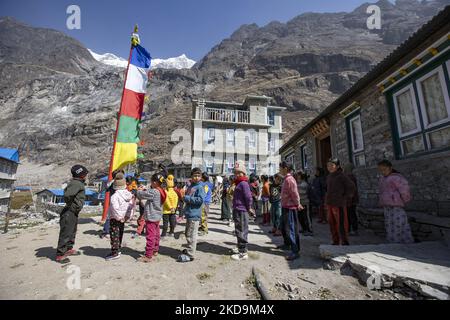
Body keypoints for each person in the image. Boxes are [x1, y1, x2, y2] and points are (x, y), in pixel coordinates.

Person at [56, 165, 88, 263]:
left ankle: (69, 249)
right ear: (81, 174)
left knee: (72, 231)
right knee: (66, 233)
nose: (86, 176)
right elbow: (67, 195)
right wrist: (72, 205)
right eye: (85, 174)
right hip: (69, 212)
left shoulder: (78, 183)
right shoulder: (76, 183)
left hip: (73, 212)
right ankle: (60, 254)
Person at [377, 160, 414, 244]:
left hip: (396, 204)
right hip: (386, 205)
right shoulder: (382, 179)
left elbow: (404, 190)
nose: (383, 172)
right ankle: (392, 240)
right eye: (381, 170)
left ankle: (404, 240)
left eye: (384, 169)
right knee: (389, 224)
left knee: (399, 223)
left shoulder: (397, 178)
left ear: (390, 168)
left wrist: (405, 199)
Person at [136, 173, 167, 263]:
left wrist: (138, 190)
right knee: (156, 234)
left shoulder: (154, 191)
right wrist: (145, 189)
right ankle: (155, 250)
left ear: (154, 182)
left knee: (150, 236)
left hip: (151, 217)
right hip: (157, 216)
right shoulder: (161, 190)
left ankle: (148, 255)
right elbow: (149, 193)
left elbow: (141, 195)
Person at [325, 158, 356, 246]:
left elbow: (352, 187)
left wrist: (345, 198)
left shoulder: (342, 176)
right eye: (328, 165)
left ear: (337, 166)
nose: (329, 167)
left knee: (341, 224)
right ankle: (335, 241)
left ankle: (344, 242)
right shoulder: (329, 176)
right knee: (332, 223)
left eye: (332, 165)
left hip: (339, 204)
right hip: (330, 203)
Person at [178, 168, 206, 262]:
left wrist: (186, 198)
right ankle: (190, 249)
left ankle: (190, 255)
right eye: (194, 175)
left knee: (191, 235)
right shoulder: (191, 186)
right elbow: (188, 197)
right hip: (189, 213)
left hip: (195, 214)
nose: (196, 177)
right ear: (191, 176)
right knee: (188, 233)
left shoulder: (200, 187)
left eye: (198, 176)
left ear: (201, 177)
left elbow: (200, 200)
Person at [105, 173, 133, 261]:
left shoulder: (115, 196)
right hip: (123, 218)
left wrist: (118, 217)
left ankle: (115, 252)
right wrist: (127, 216)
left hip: (115, 218)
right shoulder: (128, 194)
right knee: (120, 233)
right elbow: (131, 206)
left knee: (114, 235)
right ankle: (118, 249)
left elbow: (114, 208)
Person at [230, 160, 253, 261]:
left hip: (242, 210)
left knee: (242, 230)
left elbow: (248, 197)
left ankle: (243, 253)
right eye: (236, 172)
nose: (237, 174)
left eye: (240, 172)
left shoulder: (243, 183)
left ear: (244, 173)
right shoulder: (238, 183)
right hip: (237, 209)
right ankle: (240, 247)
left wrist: (249, 208)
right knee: (238, 229)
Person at [279, 161, 302, 261]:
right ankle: (287, 244)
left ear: (285, 168)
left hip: (290, 208)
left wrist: (298, 204)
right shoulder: (286, 179)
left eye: (280, 168)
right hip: (285, 207)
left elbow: (295, 194)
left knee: (291, 229)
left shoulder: (290, 180)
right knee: (284, 227)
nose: (279, 169)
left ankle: (295, 251)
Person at [100, 169, 125, 239]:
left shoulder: (119, 182)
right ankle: (106, 231)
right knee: (110, 217)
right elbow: (108, 188)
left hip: (119, 202)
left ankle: (111, 231)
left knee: (116, 217)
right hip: (114, 202)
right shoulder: (113, 183)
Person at [343, 163, 359, 236]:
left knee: (350, 215)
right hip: (351, 199)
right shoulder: (351, 177)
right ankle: (350, 229)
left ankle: (352, 229)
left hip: (349, 200)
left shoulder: (349, 177)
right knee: (351, 214)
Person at [297, 171, 313, 236]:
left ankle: (309, 230)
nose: (297, 176)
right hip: (300, 203)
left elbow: (301, 192)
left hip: (305, 202)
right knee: (300, 217)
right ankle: (304, 228)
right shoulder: (299, 183)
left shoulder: (304, 184)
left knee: (306, 217)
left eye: (298, 175)